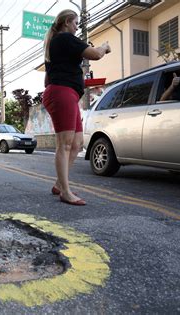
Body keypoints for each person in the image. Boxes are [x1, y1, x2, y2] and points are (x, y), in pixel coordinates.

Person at [42, 9, 111, 206]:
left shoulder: (57, 44)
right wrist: (105, 46)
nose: (77, 26)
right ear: (65, 23)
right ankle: (65, 191)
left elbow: (47, 77)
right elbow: (96, 54)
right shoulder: (65, 38)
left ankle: (58, 184)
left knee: (77, 144)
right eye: (75, 23)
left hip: (67, 93)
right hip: (62, 92)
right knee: (64, 145)